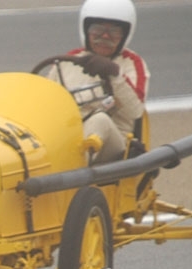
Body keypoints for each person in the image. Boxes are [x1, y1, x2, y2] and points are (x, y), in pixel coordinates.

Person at [47, 0, 149, 163]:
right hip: (68, 136)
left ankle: (74, 169)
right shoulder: (67, 61)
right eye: (98, 30)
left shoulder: (131, 63)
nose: (105, 36)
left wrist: (113, 73)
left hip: (113, 148)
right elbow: (45, 101)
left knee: (100, 119)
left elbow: (135, 112)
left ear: (124, 35)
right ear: (86, 30)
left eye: (114, 31)